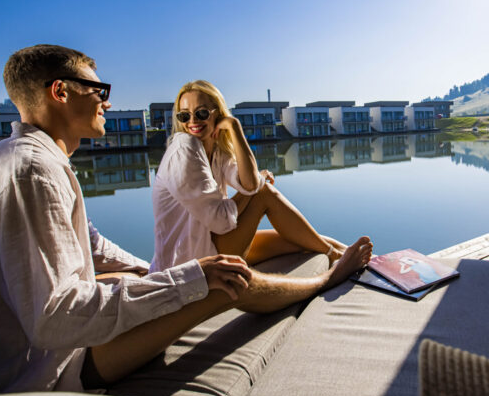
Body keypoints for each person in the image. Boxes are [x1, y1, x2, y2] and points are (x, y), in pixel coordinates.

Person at [0, 44, 372, 394]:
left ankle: (329, 251)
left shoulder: (23, 162)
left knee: (174, 273)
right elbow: (56, 319)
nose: (107, 103)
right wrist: (189, 279)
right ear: (61, 92)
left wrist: (149, 272)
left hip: (28, 349)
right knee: (225, 279)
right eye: (99, 91)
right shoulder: (30, 173)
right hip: (46, 371)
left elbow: (91, 246)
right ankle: (326, 280)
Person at [150, 80, 365, 272]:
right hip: (189, 264)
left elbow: (249, 183)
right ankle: (337, 258)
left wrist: (234, 127)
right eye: (184, 115)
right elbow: (222, 220)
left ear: (218, 113)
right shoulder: (184, 149)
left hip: (209, 243)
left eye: (201, 113)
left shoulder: (216, 151)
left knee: (305, 239)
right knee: (264, 194)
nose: (192, 121)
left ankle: (355, 257)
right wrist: (255, 187)